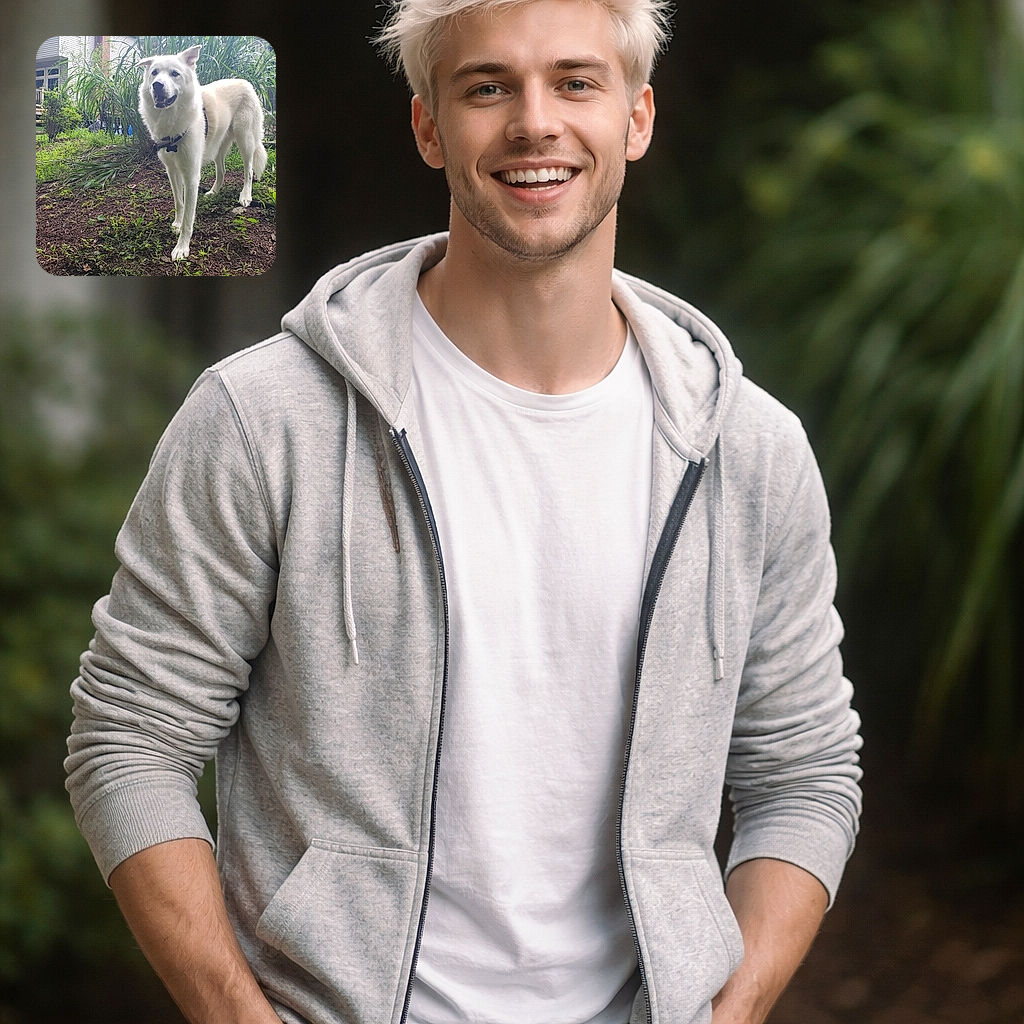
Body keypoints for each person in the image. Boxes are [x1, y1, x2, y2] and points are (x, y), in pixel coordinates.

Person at [65, 2, 862, 1023]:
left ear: (636, 117)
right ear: (429, 127)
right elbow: (129, 739)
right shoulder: (265, 421)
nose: (535, 122)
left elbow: (803, 773)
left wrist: (730, 1009)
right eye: (488, 86)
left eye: (575, 82)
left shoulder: (747, 450)